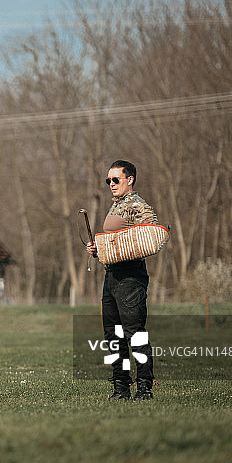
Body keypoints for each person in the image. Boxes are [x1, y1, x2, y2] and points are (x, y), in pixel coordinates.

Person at [86, 160, 157, 401]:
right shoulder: (116, 206)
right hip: (112, 276)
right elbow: (117, 243)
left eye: (116, 179)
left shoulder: (137, 205)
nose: (111, 184)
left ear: (130, 179)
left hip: (131, 278)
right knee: (112, 335)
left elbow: (153, 233)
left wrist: (120, 246)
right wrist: (100, 249)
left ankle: (145, 387)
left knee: (134, 333)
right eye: (108, 180)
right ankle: (121, 388)